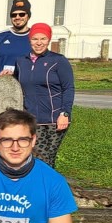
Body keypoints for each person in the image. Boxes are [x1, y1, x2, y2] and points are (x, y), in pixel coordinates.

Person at [15, 23, 74, 167]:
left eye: (43, 38)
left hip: (55, 120)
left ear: (49, 40)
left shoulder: (58, 61)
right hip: (32, 120)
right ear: (30, 40)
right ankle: (42, 186)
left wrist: (64, 113)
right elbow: (16, 84)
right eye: (35, 39)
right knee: (39, 157)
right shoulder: (21, 61)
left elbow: (68, 88)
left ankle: (45, 187)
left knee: (47, 157)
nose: (39, 42)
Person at [0, 0, 32, 77]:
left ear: (28, 16)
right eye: (13, 15)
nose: (17, 17)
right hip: (3, 84)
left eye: (22, 14)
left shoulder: (35, 37)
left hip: (26, 85)